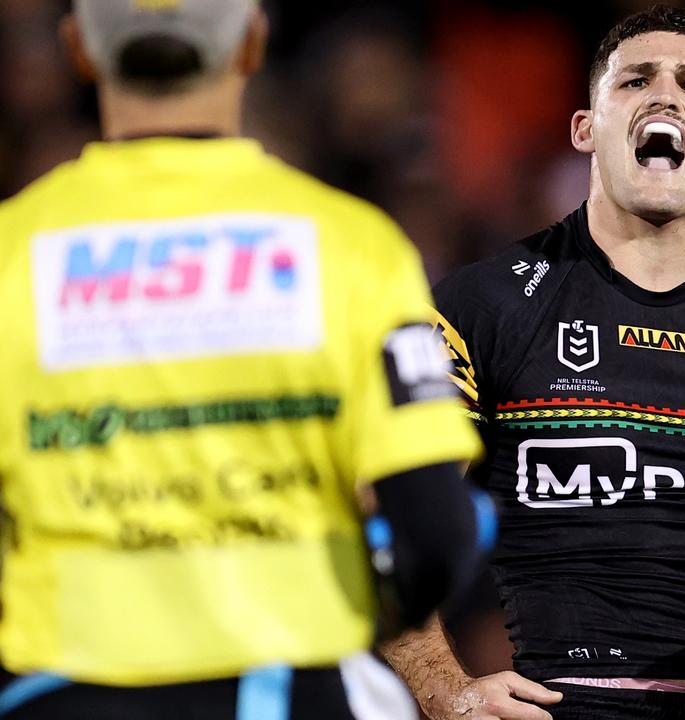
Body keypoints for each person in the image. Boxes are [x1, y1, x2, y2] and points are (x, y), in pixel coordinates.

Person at [381, 7, 685, 720]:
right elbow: (386, 521)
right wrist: (444, 694)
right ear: (586, 128)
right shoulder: (480, 308)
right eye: (636, 79)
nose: (665, 95)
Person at [0, 1, 487, 717]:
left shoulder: (12, 254)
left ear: (78, 49)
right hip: (283, 690)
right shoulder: (353, 247)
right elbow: (438, 533)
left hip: (63, 694)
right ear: (253, 44)